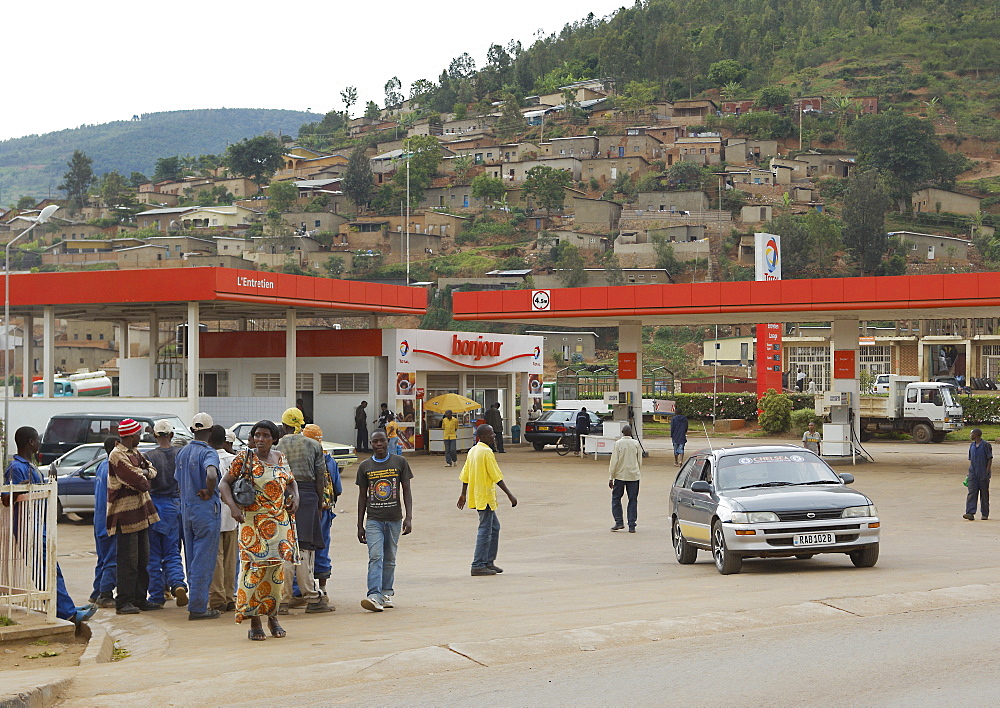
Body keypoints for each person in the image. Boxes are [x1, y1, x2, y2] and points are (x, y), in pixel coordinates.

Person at [3, 426, 97, 626]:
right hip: (27, 527)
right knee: (46, 568)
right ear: (30, 442)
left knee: (52, 568)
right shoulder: (16, 468)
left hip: (39, 524)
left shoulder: (31, 465)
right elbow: (5, 498)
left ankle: (65, 607)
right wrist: (21, 490)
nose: (39, 443)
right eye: (37, 440)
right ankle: (67, 613)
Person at [219, 420, 299, 641]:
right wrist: (233, 508)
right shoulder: (244, 458)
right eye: (257, 435)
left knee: (275, 572)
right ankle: (254, 620)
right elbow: (223, 484)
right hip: (252, 523)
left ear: (274, 439)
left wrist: (296, 497)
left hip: (279, 523)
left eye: (265, 436)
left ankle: (272, 615)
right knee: (253, 571)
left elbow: (291, 482)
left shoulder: (280, 458)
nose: (260, 439)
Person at [276, 407, 331, 614]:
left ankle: (283, 600)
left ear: (284, 426)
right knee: (305, 549)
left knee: (287, 548)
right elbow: (320, 477)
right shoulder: (313, 445)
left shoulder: (278, 445)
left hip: (284, 497)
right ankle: (312, 597)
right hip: (307, 497)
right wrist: (317, 505)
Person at [107, 419, 161, 615]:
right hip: (125, 515)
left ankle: (139, 598)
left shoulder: (136, 453)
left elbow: (152, 471)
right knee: (127, 561)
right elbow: (140, 481)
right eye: (138, 433)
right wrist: (144, 474)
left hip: (142, 513)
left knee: (142, 559)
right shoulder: (117, 456)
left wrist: (144, 473)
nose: (140, 436)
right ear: (130, 436)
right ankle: (124, 601)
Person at [357, 430, 412, 612]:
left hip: (395, 519)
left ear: (388, 442)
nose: (378, 444)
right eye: (375, 442)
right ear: (371, 444)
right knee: (376, 556)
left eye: (382, 441)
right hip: (374, 520)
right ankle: (373, 595)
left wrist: (408, 517)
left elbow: (406, 491)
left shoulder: (400, 462)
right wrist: (360, 524)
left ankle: (386, 592)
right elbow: (362, 497)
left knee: (390, 558)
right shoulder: (365, 466)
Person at [174, 412, 222, 620]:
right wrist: (209, 491)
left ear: (193, 430)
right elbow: (211, 474)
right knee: (204, 557)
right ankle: (198, 606)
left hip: (187, 510)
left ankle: (196, 601)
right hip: (205, 510)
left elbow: (178, 480)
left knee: (192, 556)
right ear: (210, 432)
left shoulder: (182, 453)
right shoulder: (209, 453)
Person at [457, 424, 517, 577]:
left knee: (494, 527)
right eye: (491, 434)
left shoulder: (473, 450)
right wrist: (510, 495)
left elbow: (465, 475)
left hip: (479, 496)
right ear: (482, 437)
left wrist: (463, 493)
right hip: (485, 497)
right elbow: (496, 476)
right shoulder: (485, 452)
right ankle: (478, 564)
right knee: (485, 530)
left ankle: (488, 561)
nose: (494, 436)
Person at [144, 420, 188, 610]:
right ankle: (177, 583)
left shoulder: (149, 456)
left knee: (153, 554)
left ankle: (156, 595)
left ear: (155, 435)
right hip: (175, 507)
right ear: (171, 435)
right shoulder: (180, 454)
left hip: (155, 506)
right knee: (172, 552)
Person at [303, 424, 342, 599]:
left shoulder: (302, 458)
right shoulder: (329, 459)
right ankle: (323, 588)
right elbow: (338, 488)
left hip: (306, 509)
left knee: (303, 547)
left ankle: (302, 588)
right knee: (322, 546)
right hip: (325, 511)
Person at [210, 426, 238, 613]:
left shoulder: (209, 459)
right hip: (233, 515)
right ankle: (229, 596)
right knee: (230, 559)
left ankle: (217, 598)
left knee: (216, 558)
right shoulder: (235, 460)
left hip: (214, 515)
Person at [91, 437, 118, 608]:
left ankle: (96, 592)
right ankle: (105, 593)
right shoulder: (113, 467)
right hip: (110, 520)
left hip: (99, 519)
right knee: (112, 559)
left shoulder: (101, 466)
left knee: (103, 558)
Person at [608, 424, 642, 533]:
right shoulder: (636, 444)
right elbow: (639, 461)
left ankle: (619, 522)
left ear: (622, 433)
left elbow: (614, 461)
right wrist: (637, 471)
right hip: (633, 476)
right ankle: (632, 525)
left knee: (616, 498)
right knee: (633, 499)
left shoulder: (618, 444)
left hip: (620, 475)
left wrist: (611, 477)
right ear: (630, 433)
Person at [964, 428, 993, 521]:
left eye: (971, 434)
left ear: (976, 435)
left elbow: (989, 458)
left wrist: (987, 471)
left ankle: (985, 513)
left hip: (983, 473)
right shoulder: (972, 446)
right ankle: (970, 512)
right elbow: (971, 460)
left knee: (984, 494)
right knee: (972, 493)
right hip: (973, 473)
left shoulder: (986, 445)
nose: (970, 435)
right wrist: (969, 474)